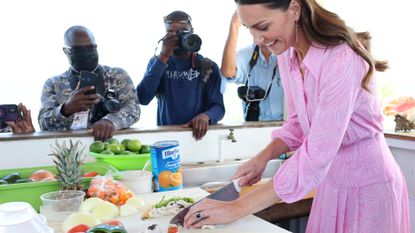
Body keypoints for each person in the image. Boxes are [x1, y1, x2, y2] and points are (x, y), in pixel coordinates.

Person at [184, 0, 410, 232]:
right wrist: (263, 157)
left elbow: (316, 154)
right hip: (330, 185)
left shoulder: (342, 60)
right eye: (248, 28)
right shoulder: (287, 53)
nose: (256, 39)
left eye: (262, 27)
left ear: (294, 9)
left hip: (368, 188)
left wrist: (236, 208)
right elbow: (297, 123)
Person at [38, 26, 140, 141]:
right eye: (79, 50)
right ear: (66, 51)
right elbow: (43, 124)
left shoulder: (117, 76)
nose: (86, 53)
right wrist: (66, 109)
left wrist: (110, 121)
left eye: (91, 48)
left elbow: (133, 109)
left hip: (114, 150)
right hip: (73, 150)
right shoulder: (53, 84)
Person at [137, 11, 225, 141]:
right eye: (171, 33)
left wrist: (206, 116)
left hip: (199, 138)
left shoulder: (208, 66)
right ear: (165, 35)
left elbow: (218, 107)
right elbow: (142, 98)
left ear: (192, 31)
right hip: (167, 138)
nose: (178, 37)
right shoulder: (158, 63)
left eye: (184, 31)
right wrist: (163, 56)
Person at [221, 11, 284, 121]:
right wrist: (235, 24)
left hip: (285, 128)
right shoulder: (248, 54)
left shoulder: (288, 53)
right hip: (254, 129)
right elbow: (227, 72)